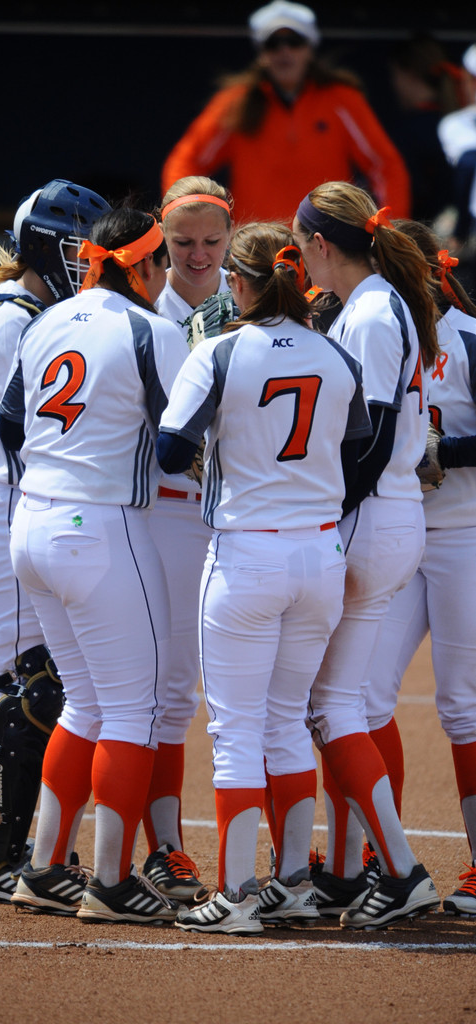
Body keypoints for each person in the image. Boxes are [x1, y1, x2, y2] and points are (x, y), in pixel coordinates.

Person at [155, 221, 370, 934]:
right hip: (319, 555)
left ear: (237, 282)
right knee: (285, 721)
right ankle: (295, 884)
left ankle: (238, 893)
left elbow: (169, 451)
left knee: (236, 731)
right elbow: (357, 450)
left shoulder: (217, 351)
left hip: (246, 554)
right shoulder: (335, 354)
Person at [0, 207, 191, 925]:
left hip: (32, 520)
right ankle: (110, 881)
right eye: (163, 260)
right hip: (100, 527)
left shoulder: (48, 319)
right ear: (144, 264)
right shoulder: (152, 329)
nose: (167, 273)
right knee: (135, 709)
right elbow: (179, 442)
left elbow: (9, 419)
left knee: (85, 701)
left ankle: (46, 867)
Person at [0, 178, 111, 902]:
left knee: (34, 680)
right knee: (23, 684)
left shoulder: (41, 311)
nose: (86, 259)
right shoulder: (15, 315)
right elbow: (28, 430)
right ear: (41, 245)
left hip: (11, 504)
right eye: (75, 246)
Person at [292, 181, 442, 929]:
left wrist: (324, 511)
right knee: (339, 703)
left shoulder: (375, 310)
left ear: (323, 244)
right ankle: (356, 867)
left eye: (302, 248)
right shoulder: (371, 304)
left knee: (328, 706)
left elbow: (373, 438)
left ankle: (399, 868)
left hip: (372, 514)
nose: (300, 263)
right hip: (383, 515)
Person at [362, 219, 476, 919]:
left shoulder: (466, 337)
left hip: (467, 534)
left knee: (464, 704)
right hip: (398, 532)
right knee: (361, 696)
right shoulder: (373, 331)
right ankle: (384, 859)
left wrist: (446, 452)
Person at [137, 176, 234, 903]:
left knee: (267, 694)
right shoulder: (145, 311)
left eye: (211, 241)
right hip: (170, 515)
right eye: (181, 242)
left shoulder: (257, 296)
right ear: (160, 239)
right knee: (170, 689)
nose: (198, 256)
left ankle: (299, 852)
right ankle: (166, 849)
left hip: (248, 521)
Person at [161, 1, 411, 226]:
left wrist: (390, 231)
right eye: (273, 44)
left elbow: (385, 166)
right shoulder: (235, 102)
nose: (284, 52)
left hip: (326, 245)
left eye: (294, 42)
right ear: (261, 54)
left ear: (310, 49)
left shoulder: (342, 101)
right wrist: (184, 219)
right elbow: (186, 160)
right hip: (254, 249)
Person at [384, 33, 462, 224]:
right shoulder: (462, 124)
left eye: (395, 75)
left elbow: (408, 191)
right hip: (460, 231)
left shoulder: (407, 132)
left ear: (408, 74)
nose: (394, 84)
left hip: (424, 232)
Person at [438, 44, 476, 297]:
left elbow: (468, 164)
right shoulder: (457, 124)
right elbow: (467, 164)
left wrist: (459, 232)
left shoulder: (454, 124)